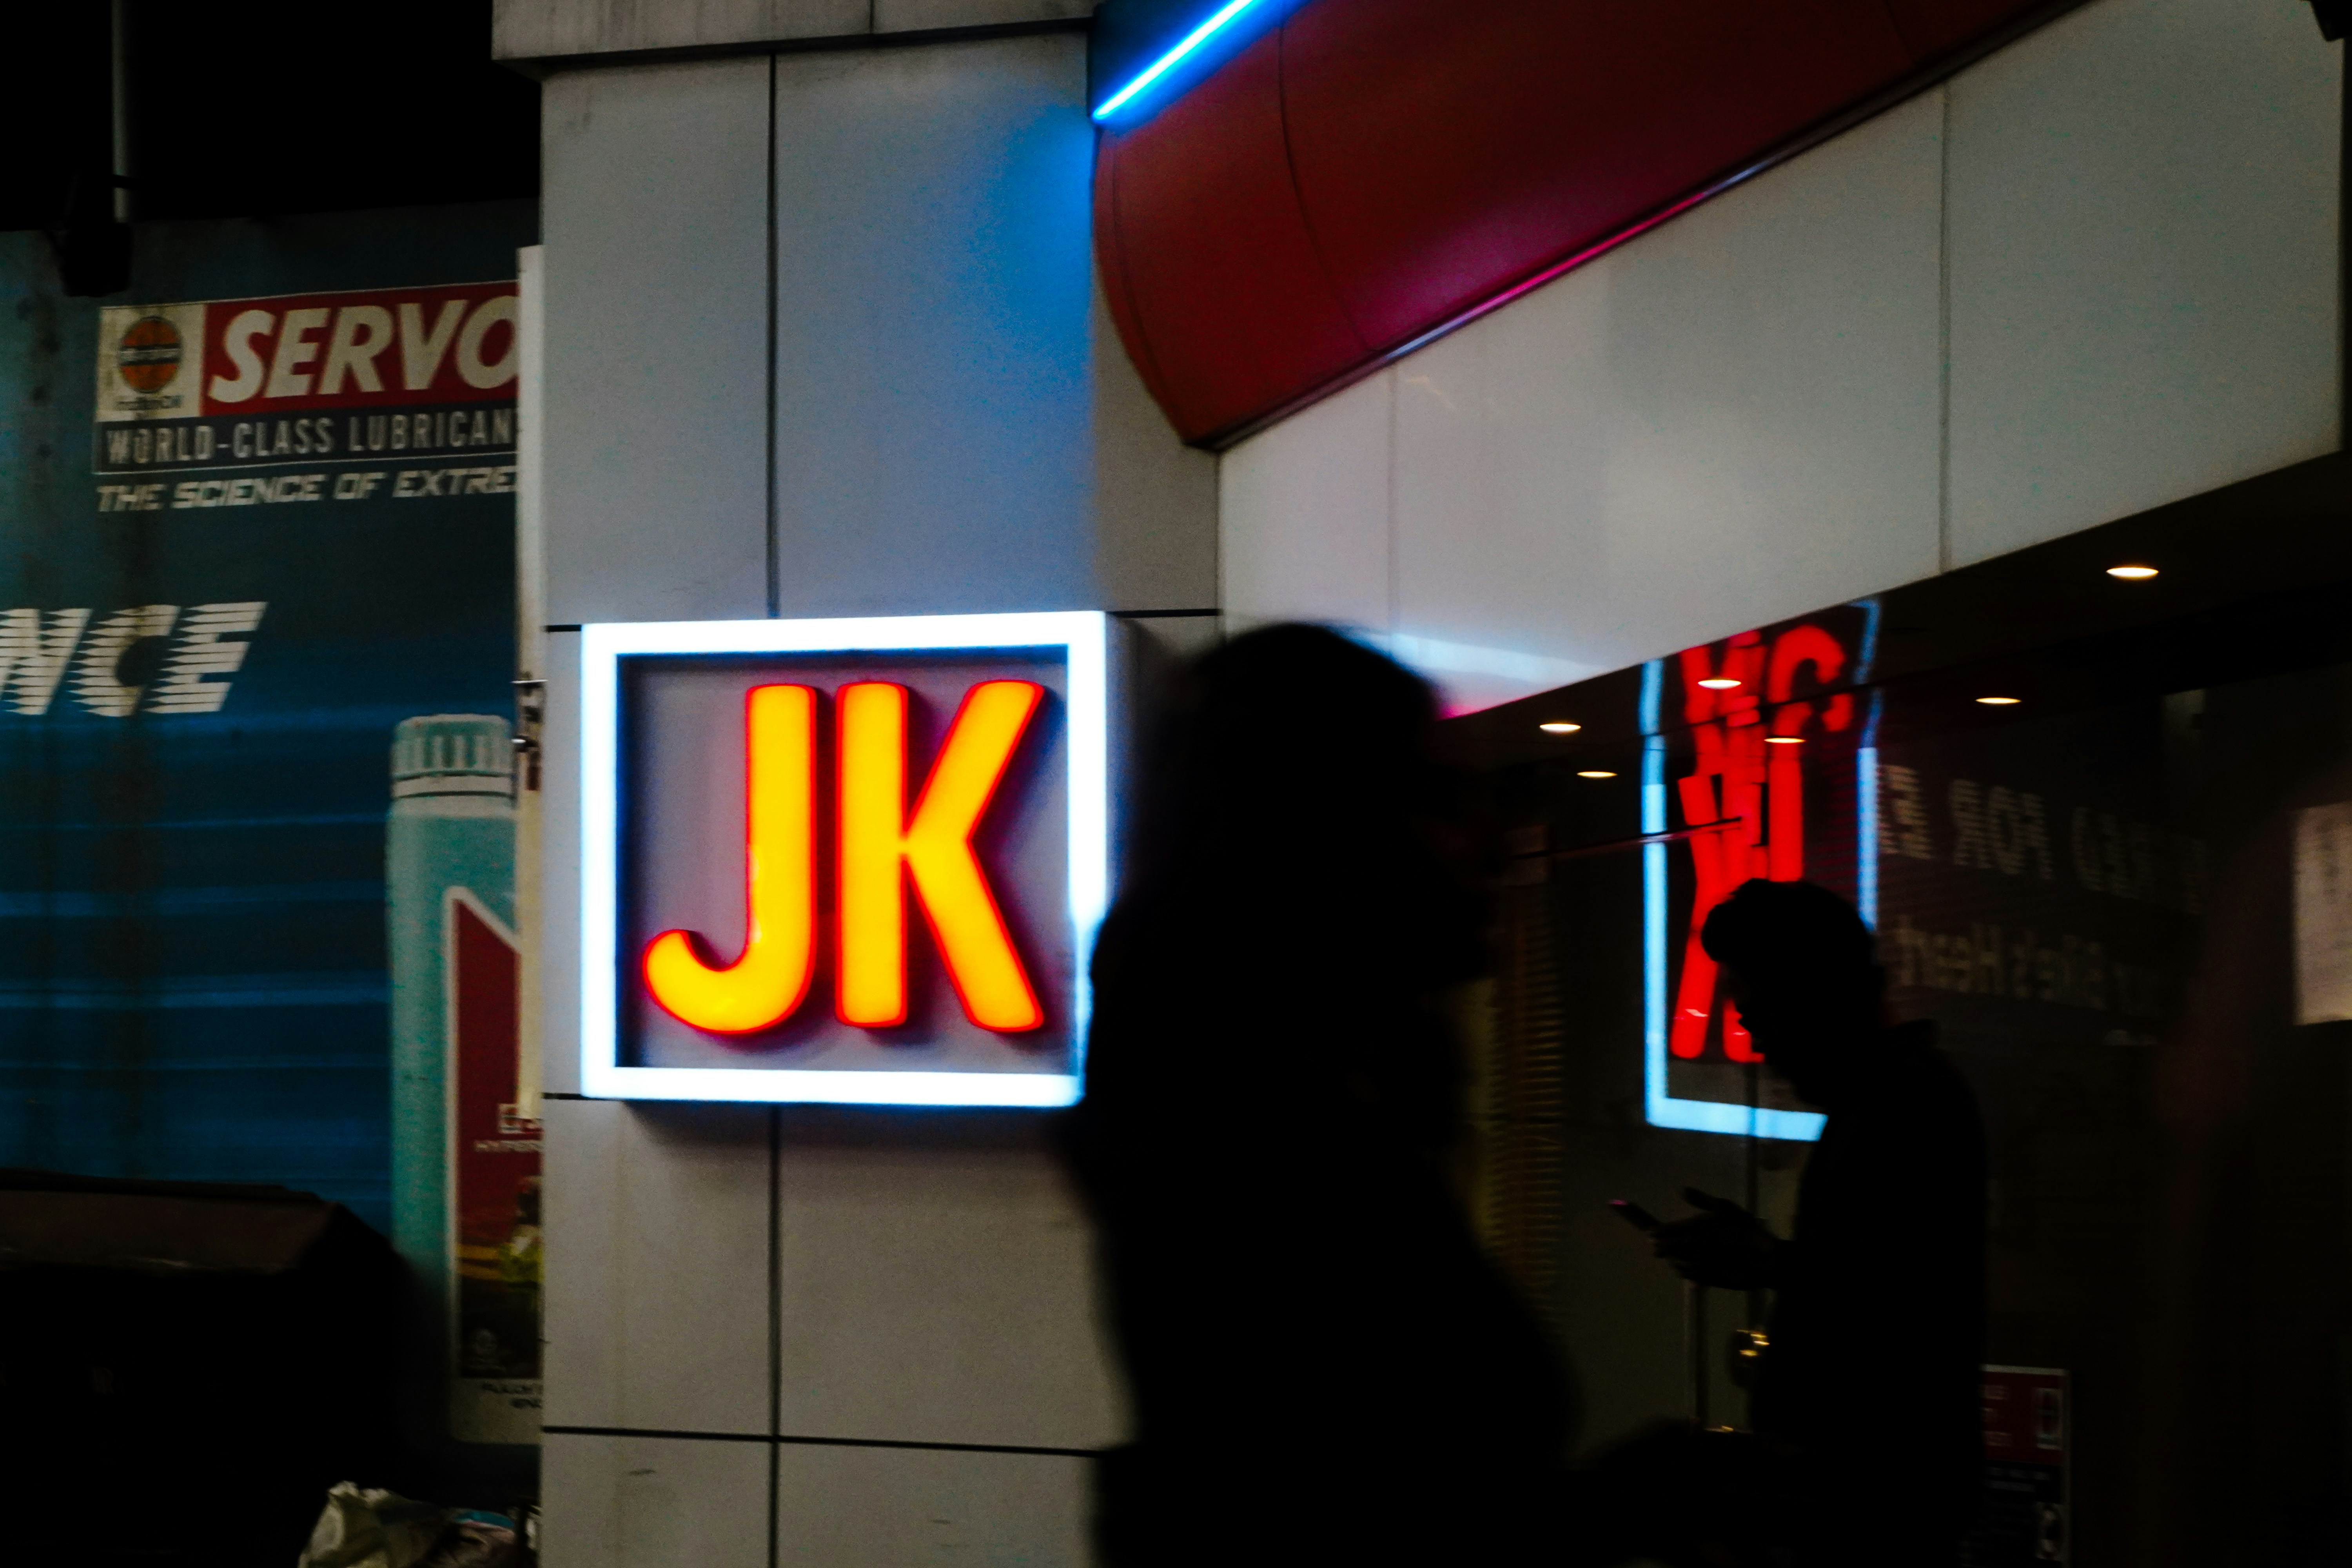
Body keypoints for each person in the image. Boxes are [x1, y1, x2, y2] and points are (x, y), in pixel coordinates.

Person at [1057, 623, 1574, 1567]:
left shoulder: (1276, 1101)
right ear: (1317, 822)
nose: (1494, 841)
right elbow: (1316, 1506)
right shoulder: (1246, 1144)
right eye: (1437, 796)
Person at [1644, 878, 1987, 1568]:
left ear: (1813, 999)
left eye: (1757, 1014)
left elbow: (1896, 1307)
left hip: (1869, 1516)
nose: (1755, 1040)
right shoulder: (1895, 1100)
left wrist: (1773, 1262)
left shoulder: (1905, 1104)